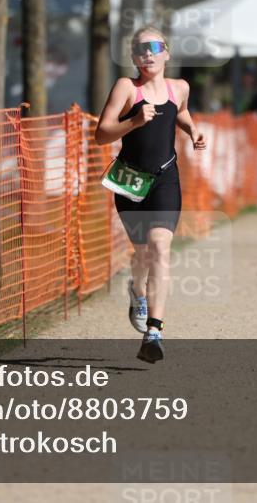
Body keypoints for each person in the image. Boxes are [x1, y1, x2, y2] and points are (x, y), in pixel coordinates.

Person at [95, 26, 207, 363]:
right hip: (130, 182)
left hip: (165, 179)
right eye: (140, 49)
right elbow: (101, 134)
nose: (148, 53)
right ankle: (137, 289)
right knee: (143, 252)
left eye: (154, 47)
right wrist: (133, 122)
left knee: (160, 248)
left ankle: (154, 331)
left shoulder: (180, 87)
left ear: (166, 53)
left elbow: (180, 111)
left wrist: (192, 130)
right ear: (133, 57)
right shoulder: (127, 88)